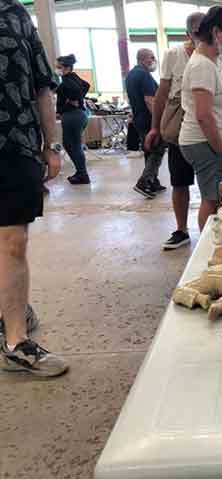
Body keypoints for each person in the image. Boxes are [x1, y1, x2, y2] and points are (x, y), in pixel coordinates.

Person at [0, 0, 68, 377]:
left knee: (14, 239)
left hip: (14, 142)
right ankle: (11, 308)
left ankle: (15, 342)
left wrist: (52, 144)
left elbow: (43, 85)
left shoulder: (16, 14)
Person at [145, 12, 205, 250]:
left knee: (210, 182)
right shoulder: (173, 54)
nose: (202, 36)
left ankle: (211, 231)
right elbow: (162, 93)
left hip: (206, 128)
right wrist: (154, 127)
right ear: (187, 33)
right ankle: (181, 230)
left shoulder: (217, 54)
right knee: (180, 181)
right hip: (179, 127)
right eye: (197, 31)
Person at [179, 7, 222, 232]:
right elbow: (204, 115)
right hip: (205, 144)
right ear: (216, 32)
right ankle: (208, 252)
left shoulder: (215, 61)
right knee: (212, 199)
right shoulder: (202, 65)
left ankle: (212, 244)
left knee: (214, 197)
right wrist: (221, 151)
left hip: (212, 144)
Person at [126, 48, 167, 199]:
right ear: (143, 59)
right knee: (157, 151)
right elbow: (150, 101)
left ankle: (153, 181)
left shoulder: (131, 74)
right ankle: (144, 182)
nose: (153, 60)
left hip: (139, 119)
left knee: (149, 150)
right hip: (149, 120)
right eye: (152, 57)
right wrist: (160, 122)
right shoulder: (144, 75)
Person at [55, 54, 91, 185]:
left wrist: (74, 99)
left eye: (59, 67)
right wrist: (77, 98)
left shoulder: (67, 80)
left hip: (72, 115)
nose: (57, 69)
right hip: (79, 115)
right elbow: (86, 85)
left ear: (67, 67)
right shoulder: (73, 77)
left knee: (72, 145)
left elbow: (76, 90)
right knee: (73, 145)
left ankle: (82, 174)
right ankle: (81, 172)